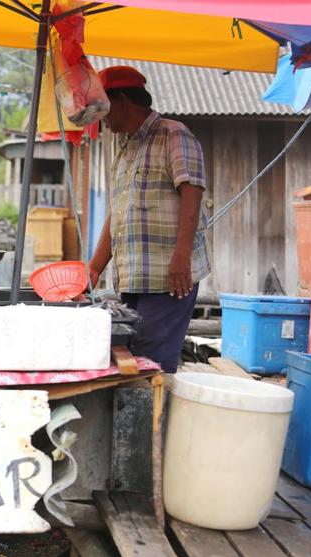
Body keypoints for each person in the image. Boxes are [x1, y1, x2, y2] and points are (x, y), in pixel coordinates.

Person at [88, 65, 211, 373]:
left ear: (123, 101)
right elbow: (118, 212)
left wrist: (181, 257)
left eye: (105, 106)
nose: (102, 115)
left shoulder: (174, 134)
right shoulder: (125, 145)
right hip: (133, 281)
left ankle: (155, 420)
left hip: (169, 280)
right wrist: (93, 268)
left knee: (151, 368)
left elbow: (192, 197)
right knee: (132, 364)